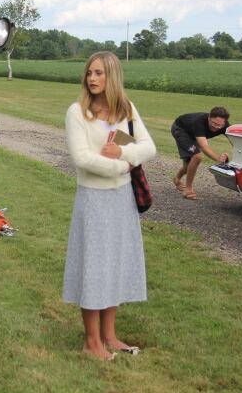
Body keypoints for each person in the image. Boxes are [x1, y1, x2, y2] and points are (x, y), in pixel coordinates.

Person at [63, 51, 156, 360]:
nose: (92, 78)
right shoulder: (77, 112)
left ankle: (110, 336)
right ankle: (91, 343)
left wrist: (124, 155)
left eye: (99, 73)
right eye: (89, 72)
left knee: (115, 264)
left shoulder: (127, 109)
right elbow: (82, 159)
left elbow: (149, 148)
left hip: (122, 200)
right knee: (94, 267)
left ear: (112, 76)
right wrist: (121, 167)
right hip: (94, 199)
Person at [170, 107, 230, 200]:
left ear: (224, 122)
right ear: (209, 117)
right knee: (197, 156)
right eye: (214, 123)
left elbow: (235, 141)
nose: (216, 127)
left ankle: (177, 179)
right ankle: (188, 189)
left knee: (189, 165)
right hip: (181, 130)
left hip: (194, 134)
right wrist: (219, 159)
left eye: (220, 125)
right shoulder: (199, 122)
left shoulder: (224, 125)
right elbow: (204, 147)